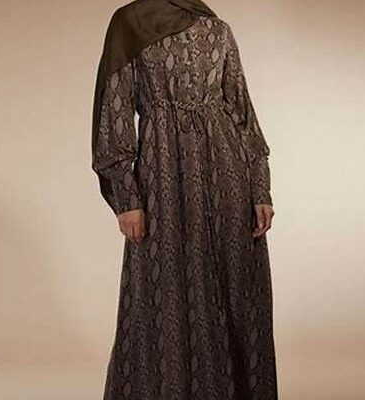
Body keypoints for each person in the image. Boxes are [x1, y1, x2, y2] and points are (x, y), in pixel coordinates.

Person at [91, 0, 277, 399]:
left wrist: (259, 187)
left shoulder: (217, 28)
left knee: (233, 291)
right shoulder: (129, 23)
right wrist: (127, 197)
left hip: (227, 176)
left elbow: (241, 110)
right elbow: (115, 112)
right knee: (166, 293)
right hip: (163, 178)